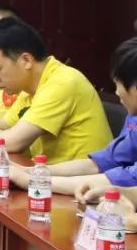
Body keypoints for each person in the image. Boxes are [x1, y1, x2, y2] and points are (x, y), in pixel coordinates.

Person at [0, 17, 111, 162]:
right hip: (46, 172)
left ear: (26, 60)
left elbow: (12, 142)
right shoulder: (29, 87)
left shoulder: (62, 83)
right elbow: (2, 125)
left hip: (82, 175)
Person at [9, 37, 137, 194]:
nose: (117, 92)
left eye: (118, 83)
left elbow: (126, 179)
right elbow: (101, 163)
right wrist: (31, 172)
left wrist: (31, 181)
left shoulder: (64, 81)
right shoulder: (134, 118)